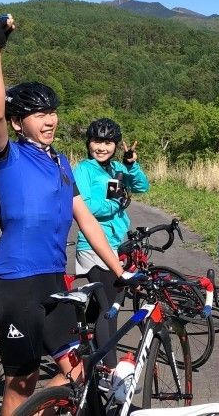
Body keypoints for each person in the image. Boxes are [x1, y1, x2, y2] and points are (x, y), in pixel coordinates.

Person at [0, 14, 131, 416]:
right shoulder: (7, 156)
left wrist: (119, 269)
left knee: (81, 369)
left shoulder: (63, 163)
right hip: (17, 283)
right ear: (18, 122)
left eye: (52, 111)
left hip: (52, 278)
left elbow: (85, 218)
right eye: (37, 113)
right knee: (21, 382)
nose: (49, 119)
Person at [73, 117, 150, 366]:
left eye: (108, 142)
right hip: (93, 246)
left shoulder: (115, 167)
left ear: (116, 145)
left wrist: (131, 165)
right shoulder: (84, 169)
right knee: (110, 307)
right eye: (97, 141)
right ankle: (110, 368)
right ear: (88, 143)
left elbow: (141, 186)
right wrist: (113, 202)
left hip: (114, 244)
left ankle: (86, 356)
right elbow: (84, 206)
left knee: (100, 306)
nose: (102, 147)